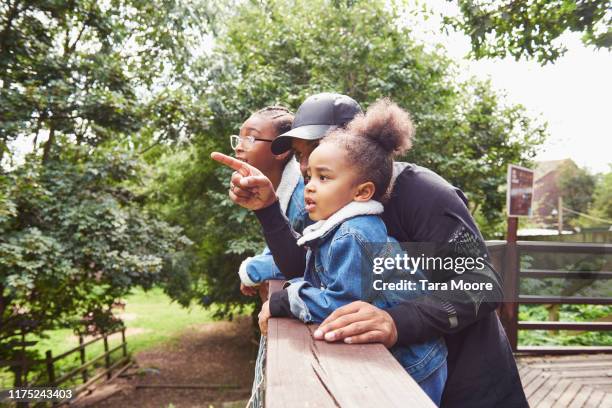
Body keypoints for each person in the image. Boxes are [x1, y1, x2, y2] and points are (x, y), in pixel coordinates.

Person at [212, 92, 527, 407]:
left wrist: (395, 322)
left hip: (471, 383)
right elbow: (303, 268)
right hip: (396, 382)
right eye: (299, 155)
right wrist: (267, 210)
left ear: (359, 144)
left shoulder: (423, 193)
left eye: (317, 148)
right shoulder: (336, 201)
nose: (307, 166)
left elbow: (483, 285)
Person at [258, 99, 448, 404]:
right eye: (302, 160)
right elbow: (313, 271)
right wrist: (267, 209)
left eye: (323, 174)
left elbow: (342, 301)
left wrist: (285, 300)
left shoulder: (357, 230)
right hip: (392, 358)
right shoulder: (337, 215)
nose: (307, 178)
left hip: (415, 362)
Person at [230, 106, 306, 294]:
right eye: (239, 139)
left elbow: (311, 262)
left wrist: (252, 270)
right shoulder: (278, 189)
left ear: (280, 151)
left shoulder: (304, 200)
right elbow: (283, 240)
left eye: (250, 139)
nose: (239, 147)